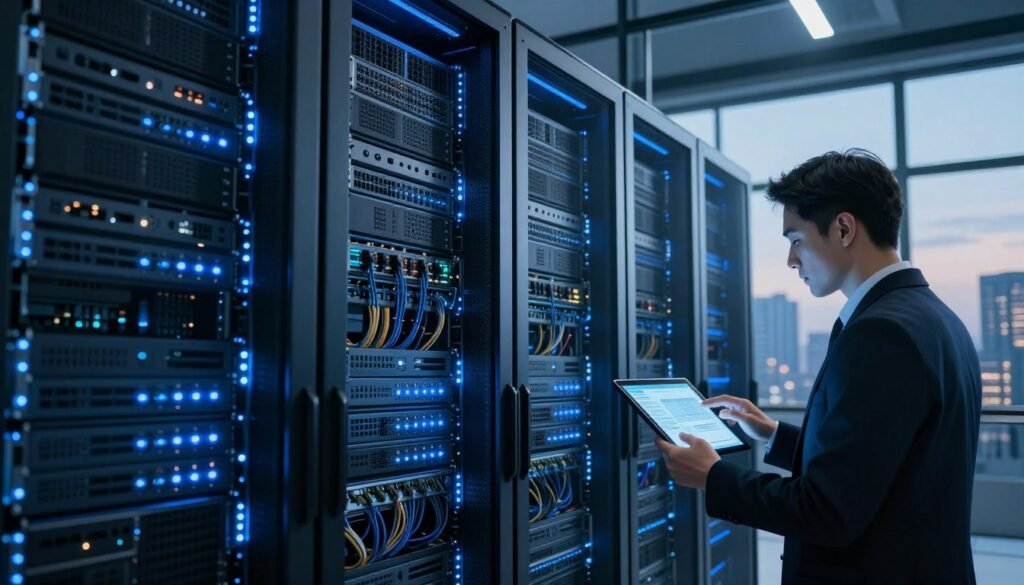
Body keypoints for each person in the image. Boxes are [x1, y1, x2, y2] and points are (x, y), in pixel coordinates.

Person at [655, 149, 981, 584]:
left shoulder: (881, 335)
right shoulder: (933, 316)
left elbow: (828, 512)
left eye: (795, 240)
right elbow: (883, 462)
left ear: (843, 228)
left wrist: (714, 477)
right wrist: (775, 435)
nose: (791, 261)